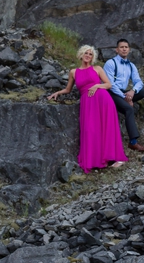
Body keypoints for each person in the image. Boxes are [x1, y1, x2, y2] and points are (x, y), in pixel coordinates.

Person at [47, 45, 127, 173]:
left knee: (107, 127)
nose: (88, 55)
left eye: (90, 54)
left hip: (103, 100)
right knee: (91, 129)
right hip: (88, 103)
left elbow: (108, 84)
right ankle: (96, 160)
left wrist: (97, 86)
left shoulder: (97, 68)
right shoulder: (73, 72)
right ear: (81, 54)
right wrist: (57, 93)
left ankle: (117, 158)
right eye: (86, 53)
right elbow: (68, 89)